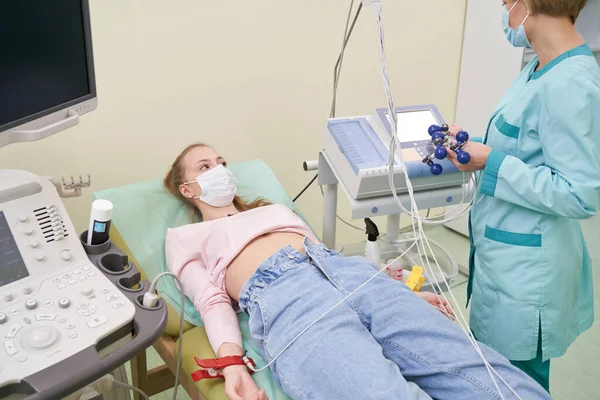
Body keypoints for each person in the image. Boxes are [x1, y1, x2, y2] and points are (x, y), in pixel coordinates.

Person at [163, 143, 551, 400]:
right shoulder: (186, 237)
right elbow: (212, 301)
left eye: (222, 162)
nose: (220, 169)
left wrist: (398, 289)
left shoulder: (271, 210)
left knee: (488, 375)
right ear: (186, 189)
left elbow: (325, 257)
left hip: (349, 276)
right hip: (285, 296)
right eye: (205, 166)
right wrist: (232, 364)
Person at [445, 0, 600, 393]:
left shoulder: (572, 83)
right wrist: (474, 147)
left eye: (505, 2)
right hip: (508, 261)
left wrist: (491, 161)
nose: (504, 12)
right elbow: (525, 147)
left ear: (528, 4)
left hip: (529, 277)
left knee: (516, 387)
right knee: (497, 380)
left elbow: (580, 193)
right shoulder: (538, 68)